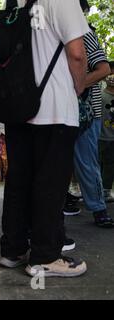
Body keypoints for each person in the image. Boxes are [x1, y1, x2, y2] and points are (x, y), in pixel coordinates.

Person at [0, 0, 90, 278]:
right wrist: (78, 87)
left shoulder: (14, 1)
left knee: (19, 182)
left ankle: (12, 250)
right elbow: (77, 53)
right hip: (54, 109)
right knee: (50, 185)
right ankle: (45, 257)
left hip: (19, 108)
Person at [62, 0, 113, 228]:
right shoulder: (56, 33)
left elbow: (104, 69)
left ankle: (98, 209)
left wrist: (78, 85)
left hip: (86, 111)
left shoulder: (85, 35)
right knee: (61, 161)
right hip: (62, 110)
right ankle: (68, 200)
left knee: (86, 161)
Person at [99, 62, 114, 203]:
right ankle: (104, 191)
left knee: (109, 164)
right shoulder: (101, 96)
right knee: (105, 164)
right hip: (103, 136)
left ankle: (105, 190)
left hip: (110, 136)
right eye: (110, 74)